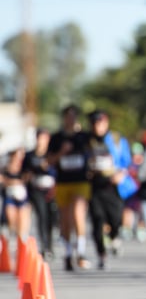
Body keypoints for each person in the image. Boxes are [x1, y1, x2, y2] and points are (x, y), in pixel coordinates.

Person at [86, 110, 135, 269]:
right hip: (94, 185)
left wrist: (121, 174)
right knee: (97, 219)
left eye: (100, 123)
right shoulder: (86, 140)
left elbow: (127, 162)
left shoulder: (116, 139)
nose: (97, 126)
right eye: (95, 123)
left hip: (113, 186)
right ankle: (101, 254)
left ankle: (114, 236)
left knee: (115, 217)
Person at [47, 104, 91, 271]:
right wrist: (62, 153)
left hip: (81, 182)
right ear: (64, 118)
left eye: (74, 116)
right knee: (65, 220)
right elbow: (49, 161)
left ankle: (80, 251)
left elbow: (94, 153)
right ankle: (67, 253)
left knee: (78, 214)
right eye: (68, 116)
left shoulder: (84, 137)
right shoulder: (56, 138)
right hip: (63, 182)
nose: (70, 120)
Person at [24, 128, 56, 259]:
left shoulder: (51, 154)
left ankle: (50, 245)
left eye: (44, 138)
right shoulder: (30, 155)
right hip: (36, 190)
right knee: (41, 216)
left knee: (51, 218)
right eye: (39, 138)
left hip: (51, 189)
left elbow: (58, 170)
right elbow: (24, 173)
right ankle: (44, 246)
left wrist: (48, 167)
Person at [2, 147, 33, 249]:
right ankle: (12, 239)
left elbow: (28, 178)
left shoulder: (24, 167)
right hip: (10, 196)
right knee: (11, 219)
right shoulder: (6, 168)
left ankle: (22, 243)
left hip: (23, 197)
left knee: (23, 220)